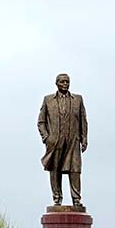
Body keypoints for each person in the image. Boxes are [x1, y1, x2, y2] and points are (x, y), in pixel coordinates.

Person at [37, 72, 88, 207]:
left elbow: (83, 120)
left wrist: (84, 138)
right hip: (55, 142)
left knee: (75, 169)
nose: (65, 84)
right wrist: (46, 138)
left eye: (67, 82)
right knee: (55, 170)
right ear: (56, 83)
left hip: (73, 141)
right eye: (62, 82)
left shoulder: (77, 99)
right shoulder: (48, 100)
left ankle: (76, 199)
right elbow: (41, 122)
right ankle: (57, 197)